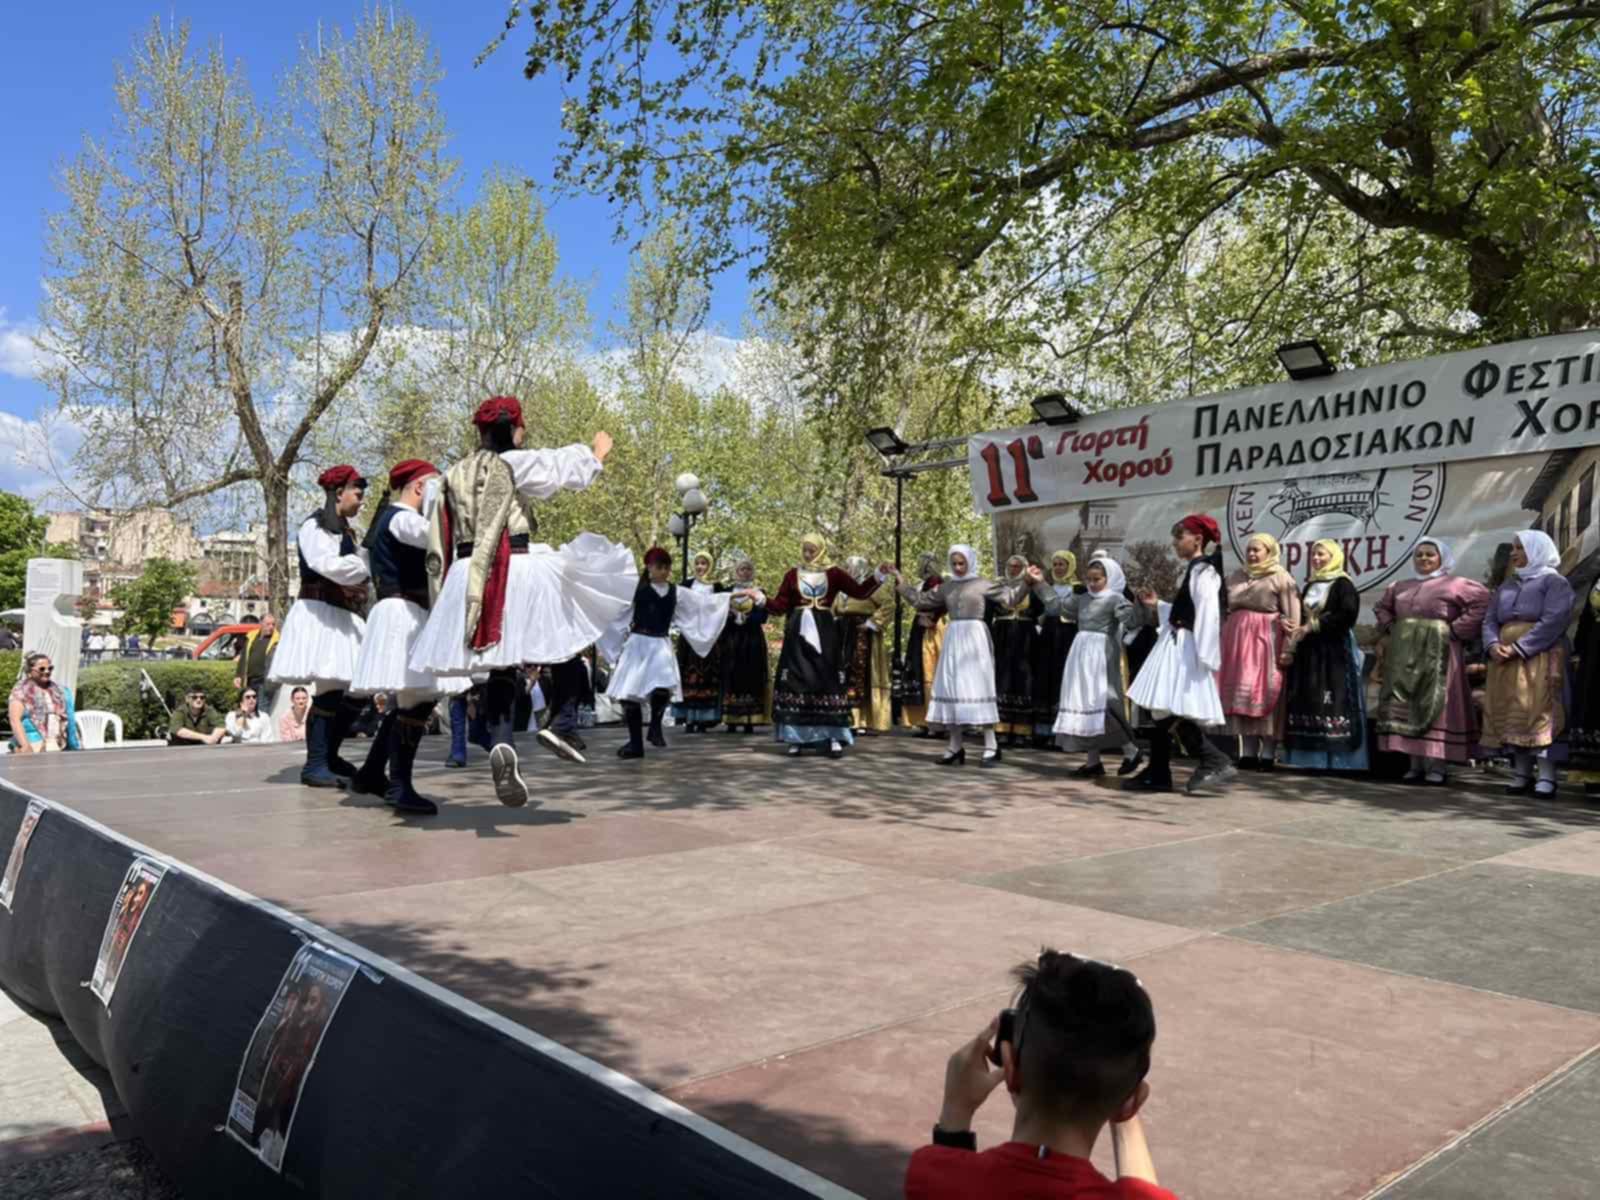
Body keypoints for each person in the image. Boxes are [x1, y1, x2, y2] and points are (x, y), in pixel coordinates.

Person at [408, 396, 635, 806]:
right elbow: (561, 466)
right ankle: (562, 722)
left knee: (502, 662)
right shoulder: (515, 463)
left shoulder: (451, 475)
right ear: (514, 429)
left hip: (466, 573)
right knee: (567, 633)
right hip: (512, 563)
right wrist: (596, 454)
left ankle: (502, 741)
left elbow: (433, 524)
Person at [905, 949, 1173, 1200]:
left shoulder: (931, 1177)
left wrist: (955, 1111)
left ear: (1010, 1067)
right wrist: (1122, 1093)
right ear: (1133, 1102)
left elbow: (947, 1175)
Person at [348, 459, 465, 814]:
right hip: (403, 613)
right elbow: (433, 536)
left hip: (402, 611)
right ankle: (399, 786)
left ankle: (372, 772)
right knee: (417, 699)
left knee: (411, 700)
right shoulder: (401, 518)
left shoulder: (391, 518)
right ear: (419, 487)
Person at [268, 465, 371, 787]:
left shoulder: (345, 531)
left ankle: (329, 755)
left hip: (340, 614)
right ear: (339, 493)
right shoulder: (314, 527)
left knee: (357, 689)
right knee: (329, 691)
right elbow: (327, 565)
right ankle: (315, 765)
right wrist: (365, 563)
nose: (361, 501)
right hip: (319, 613)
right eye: (357, 494)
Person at [1126, 515, 1235, 795]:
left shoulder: (1205, 571)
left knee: (1164, 707)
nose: (1175, 543)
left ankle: (1210, 759)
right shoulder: (1197, 569)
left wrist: (1205, 654)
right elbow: (1189, 610)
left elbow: (1208, 613)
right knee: (1159, 706)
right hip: (1177, 640)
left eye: (1179, 537)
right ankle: (1160, 770)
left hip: (1185, 645)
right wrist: (1159, 605)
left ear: (1197, 539)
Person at [897, 544, 1031, 768]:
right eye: (954, 563)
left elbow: (1011, 599)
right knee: (952, 688)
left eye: (962, 563)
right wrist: (901, 582)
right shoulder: (947, 587)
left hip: (975, 638)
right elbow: (921, 601)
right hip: (953, 638)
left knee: (978, 687)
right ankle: (955, 745)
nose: (958, 567)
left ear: (970, 561)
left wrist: (1027, 581)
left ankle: (991, 745)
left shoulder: (983, 584)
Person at [1373, 537, 1490, 786]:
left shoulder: (1456, 585)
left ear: (1441, 558)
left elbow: (1482, 603)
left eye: (1429, 554)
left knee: (1437, 704)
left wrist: (1454, 630)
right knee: (1408, 703)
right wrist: (1393, 628)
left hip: (1440, 651)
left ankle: (1437, 766)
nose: (1424, 559)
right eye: (1419, 555)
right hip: (1405, 653)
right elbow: (1382, 608)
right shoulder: (1399, 586)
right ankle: (1414, 765)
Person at [602, 547, 735, 758]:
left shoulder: (676, 591)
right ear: (649, 567)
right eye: (659, 567)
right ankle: (636, 744)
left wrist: (735, 596)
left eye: (667, 567)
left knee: (663, 687)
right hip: (638, 645)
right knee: (628, 696)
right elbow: (614, 606)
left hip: (660, 644)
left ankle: (655, 726)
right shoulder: (636, 589)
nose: (664, 571)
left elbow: (702, 603)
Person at [766, 533, 887, 758]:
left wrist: (878, 575)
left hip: (825, 631)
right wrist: (760, 599)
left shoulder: (834, 573)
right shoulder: (792, 575)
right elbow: (780, 606)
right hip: (798, 633)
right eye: (805, 550)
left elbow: (859, 591)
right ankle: (796, 738)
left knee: (827, 679)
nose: (808, 554)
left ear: (821, 550)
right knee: (797, 679)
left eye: (812, 550)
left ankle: (833, 737)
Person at [1482, 530, 1575, 798]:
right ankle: (1521, 774)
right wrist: (1493, 645)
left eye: (1520, 548)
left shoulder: (1555, 583)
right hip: (1505, 661)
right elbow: (1490, 619)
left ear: (1537, 549)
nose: (1514, 553)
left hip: (1541, 657)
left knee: (1541, 712)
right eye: (1513, 548)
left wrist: (1519, 647)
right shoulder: (1508, 585)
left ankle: (1546, 777)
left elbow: (1554, 620)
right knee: (1514, 713)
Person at [1035, 556, 1142, 777]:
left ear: (1108, 578)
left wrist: (1141, 605)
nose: (1092, 584)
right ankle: (1093, 762)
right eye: (1089, 579)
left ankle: (1131, 750)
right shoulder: (1082, 598)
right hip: (1080, 653)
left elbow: (1132, 622)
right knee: (1083, 702)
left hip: (1101, 654)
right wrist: (1040, 583)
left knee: (1103, 701)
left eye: (1097, 579)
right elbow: (1057, 608)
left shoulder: (1115, 599)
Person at [1281, 540, 1369, 773]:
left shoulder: (1343, 584)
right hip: (1310, 650)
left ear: (1335, 556)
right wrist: (1291, 623)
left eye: (1322, 554)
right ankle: (1310, 759)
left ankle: (1338, 761)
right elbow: (1302, 615)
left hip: (1334, 648)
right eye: (1314, 555)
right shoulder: (1311, 584)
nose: (1316, 559)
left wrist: (1314, 625)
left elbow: (1347, 614)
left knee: (1334, 698)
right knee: (1310, 698)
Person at [1220, 532, 1300, 770]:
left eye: (1257, 550)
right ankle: (1248, 752)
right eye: (1249, 550)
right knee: (1242, 697)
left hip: (1266, 643)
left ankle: (1268, 753)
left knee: (1264, 694)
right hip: (1237, 645)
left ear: (1270, 552)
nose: (1252, 554)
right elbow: (1223, 609)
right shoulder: (1235, 576)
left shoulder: (1281, 577)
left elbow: (1293, 616)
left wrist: (1289, 648)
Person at [835, 554, 895, 735]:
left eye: (850, 567)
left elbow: (889, 604)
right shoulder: (842, 589)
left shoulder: (871, 587)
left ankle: (863, 720)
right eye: (846, 567)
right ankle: (844, 716)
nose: (848, 570)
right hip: (842, 633)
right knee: (843, 672)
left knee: (863, 674)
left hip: (863, 634)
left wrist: (871, 623)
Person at [992, 554, 1044, 748]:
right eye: (1011, 566)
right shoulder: (999, 585)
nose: (1013, 569)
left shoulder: (1033, 587)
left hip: (1025, 636)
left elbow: (1040, 607)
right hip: (1002, 635)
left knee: (1024, 678)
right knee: (1002, 677)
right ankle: (1002, 728)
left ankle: (1022, 730)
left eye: (1017, 566)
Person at [1032, 550, 1083, 750]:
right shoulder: (1049, 587)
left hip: (1068, 635)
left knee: (1064, 678)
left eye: (1062, 564)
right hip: (1049, 634)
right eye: (1055, 564)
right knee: (1047, 677)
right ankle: (1045, 731)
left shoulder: (1078, 588)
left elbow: (1065, 609)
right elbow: (1043, 611)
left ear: (1070, 566)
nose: (1058, 568)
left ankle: (1065, 732)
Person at [673, 552, 726, 732]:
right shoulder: (686, 585)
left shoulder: (716, 586)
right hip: (689, 636)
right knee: (688, 674)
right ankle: (688, 718)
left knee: (707, 675)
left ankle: (704, 719)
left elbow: (722, 606)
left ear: (709, 565)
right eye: (697, 563)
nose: (700, 567)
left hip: (709, 637)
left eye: (704, 563)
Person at [719, 556, 770, 733]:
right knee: (732, 674)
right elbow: (719, 614)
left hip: (752, 639)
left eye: (748, 569)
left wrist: (747, 618)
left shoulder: (759, 592)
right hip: (732, 639)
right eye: (742, 569)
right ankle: (731, 720)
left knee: (751, 675)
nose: (745, 572)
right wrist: (731, 616)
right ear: (736, 572)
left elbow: (763, 616)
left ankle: (750, 719)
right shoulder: (727, 592)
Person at [901, 553, 946, 737]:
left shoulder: (936, 581)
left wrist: (932, 618)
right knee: (920, 670)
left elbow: (942, 602)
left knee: (929, 670)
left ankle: (935, 722)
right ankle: (924, 720)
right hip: (921, 626)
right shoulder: (926, 582)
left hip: (930, 628)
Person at [1567, 572, 1600, 802]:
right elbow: (1587, 619)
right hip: (1595, 652)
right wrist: (1579, 650)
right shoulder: (1598, 577)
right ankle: (1593, 774)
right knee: (1592, 707)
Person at [7, 653, 79, 753]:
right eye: (42, 669)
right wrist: (25, 746)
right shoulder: (20, 691)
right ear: (30, 671)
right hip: (32, 743)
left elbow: (70, 719)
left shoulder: (61, 691)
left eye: (50, 668)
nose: (47, 671)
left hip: (56, 744)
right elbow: (15, 720)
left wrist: (73, 745)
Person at [233, 614, 280, 710]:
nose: (271, 627)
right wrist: (238, 675)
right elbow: (244, 658)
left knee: (262, 708)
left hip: (265, 681)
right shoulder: (251, 636)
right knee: (249, 708)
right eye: (268, 624)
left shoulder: (277, 640)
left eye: (273, 624)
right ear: (261, 623)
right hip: (250, 680)